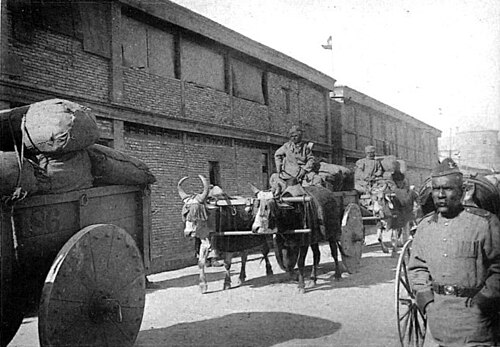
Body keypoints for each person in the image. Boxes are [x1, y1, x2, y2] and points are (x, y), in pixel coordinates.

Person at [408, 158, 500, 346]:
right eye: (436, 189)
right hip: (439, 320)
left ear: (462, 191)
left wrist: (483, 302)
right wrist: (427, 301)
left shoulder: (485, 223)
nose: (441, 195)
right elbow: (417, 268)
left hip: (476, 324)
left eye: (448, 189)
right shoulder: (426, 227)